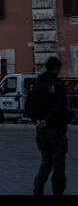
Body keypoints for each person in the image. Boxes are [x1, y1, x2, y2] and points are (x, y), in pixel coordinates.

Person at [25, 56, 68, 196]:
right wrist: (47, 120)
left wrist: (37, 120)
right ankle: (58, 191)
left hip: (41, 129)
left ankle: (38, 187)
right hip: (56, 128)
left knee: (46, 160)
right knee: (58, 162)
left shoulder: (37, 83)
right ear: (56, 68)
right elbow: (59, 106)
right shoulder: (58, 85)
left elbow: (28, 105)